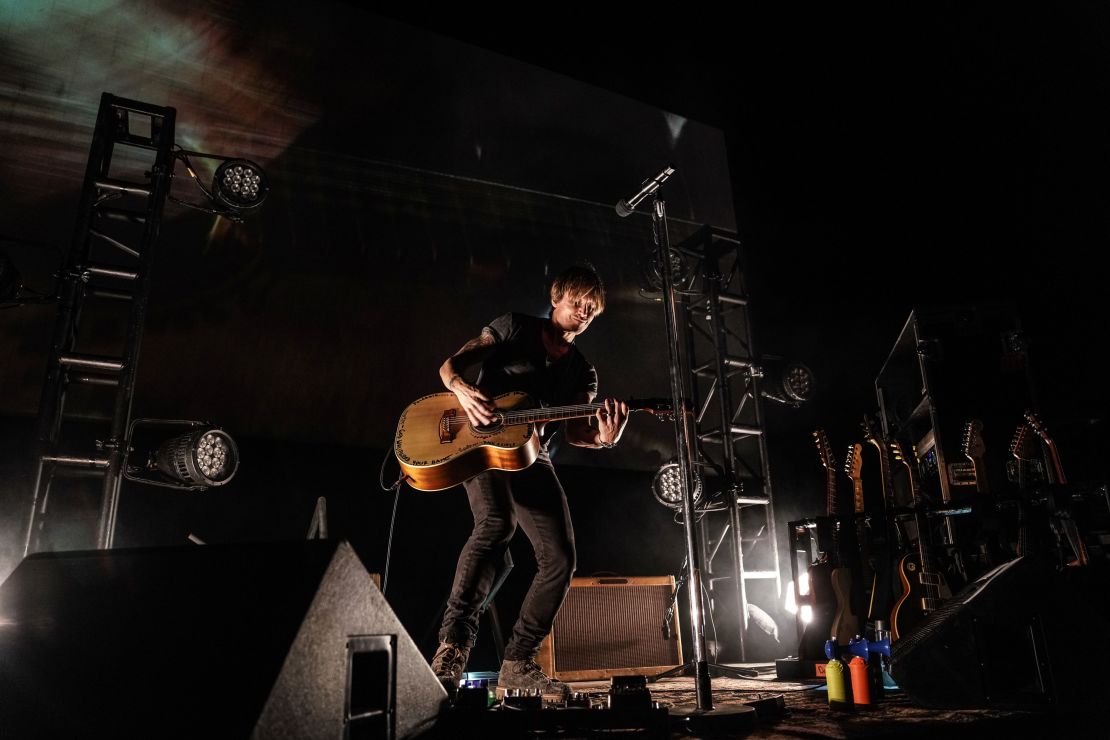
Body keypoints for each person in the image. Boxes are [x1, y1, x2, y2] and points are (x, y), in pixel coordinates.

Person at [429, 264, 629, 700]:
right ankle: (452, 650)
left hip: (533, 456)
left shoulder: (583, 371)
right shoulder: (513, 326)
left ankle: (518, 663)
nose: (584, 313)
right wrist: (462, 388)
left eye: (592, 310)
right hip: (480, 445)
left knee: (560, 557)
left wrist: (604, 439)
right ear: (557, 295)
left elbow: (578, 432)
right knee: (497, 524)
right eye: (578, 303)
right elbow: (451, 366)